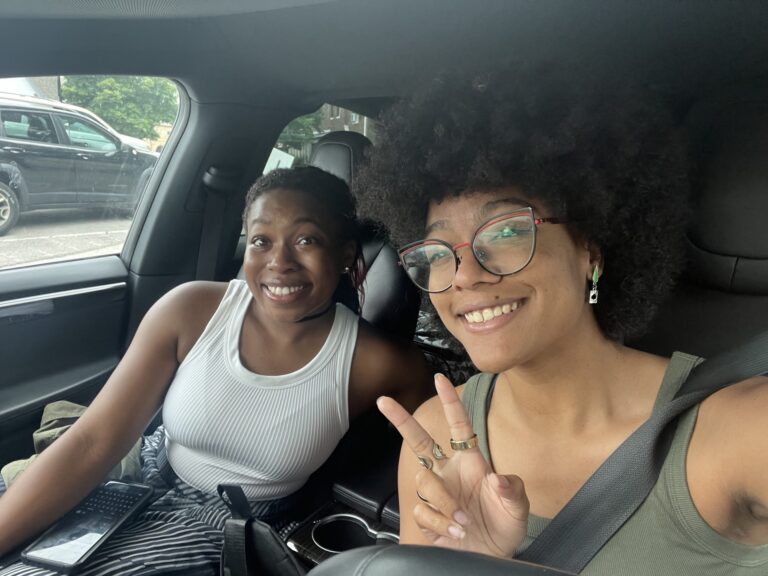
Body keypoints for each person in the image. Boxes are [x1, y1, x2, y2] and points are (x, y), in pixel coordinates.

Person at [358, 71, 768, 574]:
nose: (465, 274)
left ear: (589, 249)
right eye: (438, 250)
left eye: (506, 231)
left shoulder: (741, 428)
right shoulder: (435, 434)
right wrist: (472, 566)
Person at [0, 166, 432, 574]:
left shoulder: (378, 362)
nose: (279, 261)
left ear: (345, 254)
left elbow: (433, 465)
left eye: (306, 240)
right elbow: (93, 442)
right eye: (261, 240)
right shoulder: (190, 309)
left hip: (232, 523)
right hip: (142, 474)